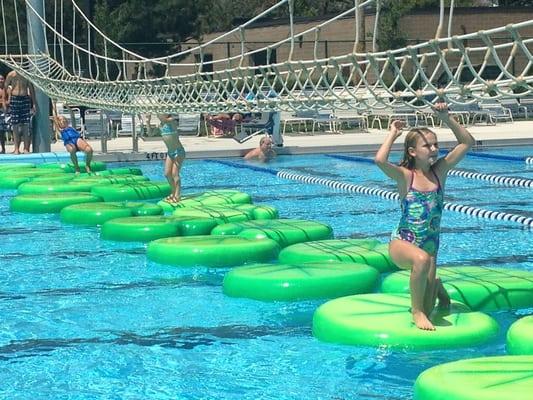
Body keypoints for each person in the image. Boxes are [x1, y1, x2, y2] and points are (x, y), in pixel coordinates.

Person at [374, 102, 475, 331]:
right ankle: (416, 312)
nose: (433, 149)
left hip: (430, 248)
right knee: (420, 261)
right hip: (402, 244)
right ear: (412, 152)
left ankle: (435, 288)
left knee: (430, 299)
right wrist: (393, 134)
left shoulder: (440, 172)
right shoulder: (405, 176)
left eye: (435, 144)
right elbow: (379, 161)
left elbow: (467, 142)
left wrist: (446, 118)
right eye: (426, 145)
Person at [5, 70, 35, 154]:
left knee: (26, 125)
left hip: (25, 98)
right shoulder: (11, 74)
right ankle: (16, 148)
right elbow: (5, 86)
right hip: (15, 99)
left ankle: (26, 148)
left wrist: (34, 103)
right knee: (15, 125)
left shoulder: (26, 73)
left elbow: (31, 89)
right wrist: (6, 99)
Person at [158, 114, 186, 203]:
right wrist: (147, 122)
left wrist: (166, 118)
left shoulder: (171, 122)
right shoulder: (160, 125)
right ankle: (173, 192)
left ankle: (177, 195)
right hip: (170, 152)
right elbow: (150, 133)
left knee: (175, 174)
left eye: (159, 113)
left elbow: (173, 118)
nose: (158, 115)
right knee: (167, 174)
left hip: (179, 152)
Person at [0, 75, 7, 153]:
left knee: (2, 132)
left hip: (5, 112)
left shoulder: (7, 89)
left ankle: (3, 148)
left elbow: (9, 100)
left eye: (2, 79)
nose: (1, 80)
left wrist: (3, 103)